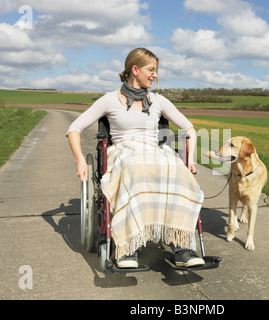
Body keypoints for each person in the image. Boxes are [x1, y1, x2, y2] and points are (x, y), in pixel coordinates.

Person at [66, 48, 205, 268]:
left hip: (153, 152)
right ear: (135, 69)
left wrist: (190, 160)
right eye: (151, 70)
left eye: (156, 70)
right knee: (133, 167)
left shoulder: (159, 101)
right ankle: (128, 248)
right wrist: (80, 160)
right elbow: (74, 128)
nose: (155, 75)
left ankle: (182, 247)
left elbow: (189, 128)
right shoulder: (110, 100)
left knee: (177, 169)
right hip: (123, 152)